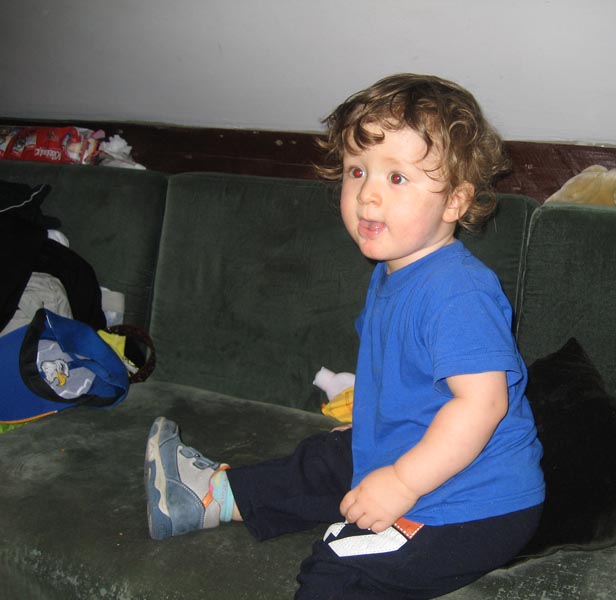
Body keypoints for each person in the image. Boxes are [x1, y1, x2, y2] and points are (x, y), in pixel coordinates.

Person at [145, 73, 545, 599]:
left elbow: (483, 404)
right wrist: (371, 420)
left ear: (455, 201)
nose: (367, 195)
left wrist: (401, 482)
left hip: (473, 503)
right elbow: (401, 374)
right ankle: (207, 497)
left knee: (335, 568)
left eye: (397, 177)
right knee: (326, 456)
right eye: (358, 171)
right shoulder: (391, 272)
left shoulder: (458, 291)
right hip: (419, 451)